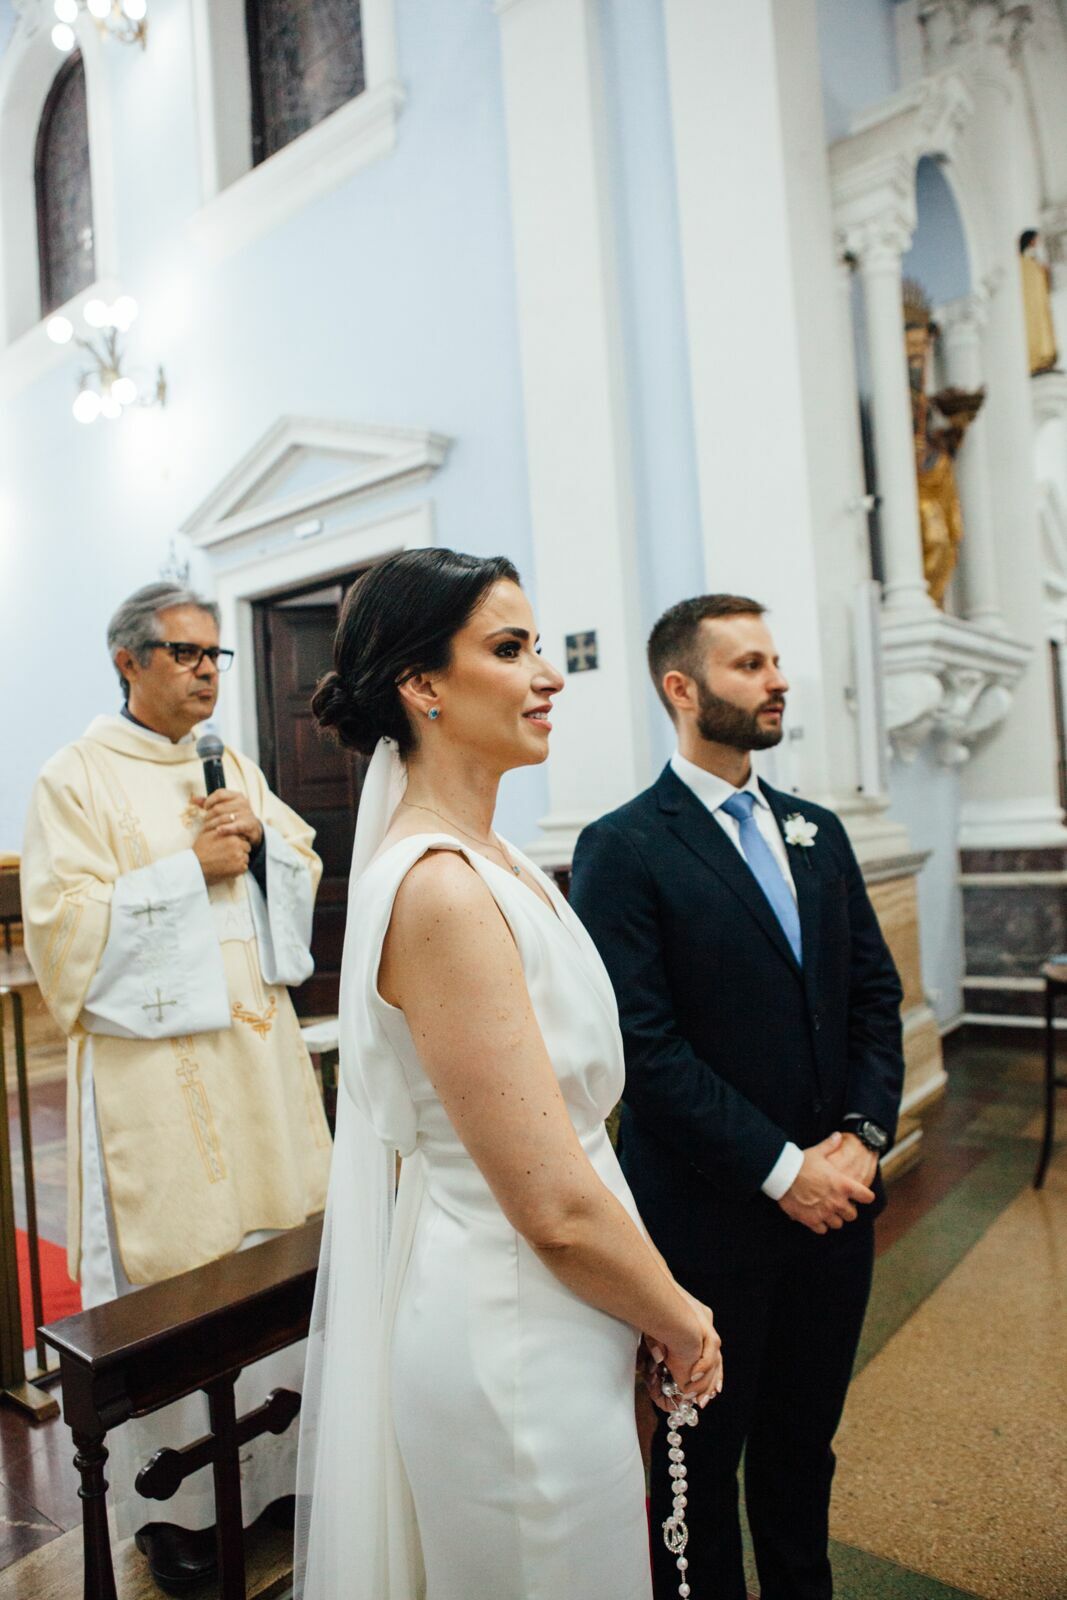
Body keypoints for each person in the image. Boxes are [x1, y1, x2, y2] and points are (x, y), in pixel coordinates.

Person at [293, 549, 722, 1600]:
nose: (548, 673)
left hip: (552, 1301)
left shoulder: (492, 856)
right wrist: (676, 1313)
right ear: (421, 685)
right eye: (508, 647)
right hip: (510, 1325)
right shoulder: (438, 888)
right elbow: (548, 1202)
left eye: (536, 644)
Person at [570, 594, 904, 1600]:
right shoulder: (622, 846)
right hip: (705, 1221)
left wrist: (859, 1136)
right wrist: (778, 1169)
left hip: (831, 1217)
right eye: (749, 664)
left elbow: (873, 997)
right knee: (698, 1475)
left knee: (804, 1451)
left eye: (773, 661)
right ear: (682, 687)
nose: (778, 680)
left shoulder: (816, 829)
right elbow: (645, 1047)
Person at [21, 581, 332, 1592]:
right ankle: (188, 1512)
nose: (206, 668)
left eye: (214, 654)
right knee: (183, 1274)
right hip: (161, 1081)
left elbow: (298, 861)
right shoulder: (73, 779)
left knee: (275, 1250)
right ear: (129, 662)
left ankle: (286, 1477)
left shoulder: (229, 761)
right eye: (185, 652)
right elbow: (64, 936)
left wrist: (269, 847)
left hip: (256, 1060)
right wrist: (182, 867)